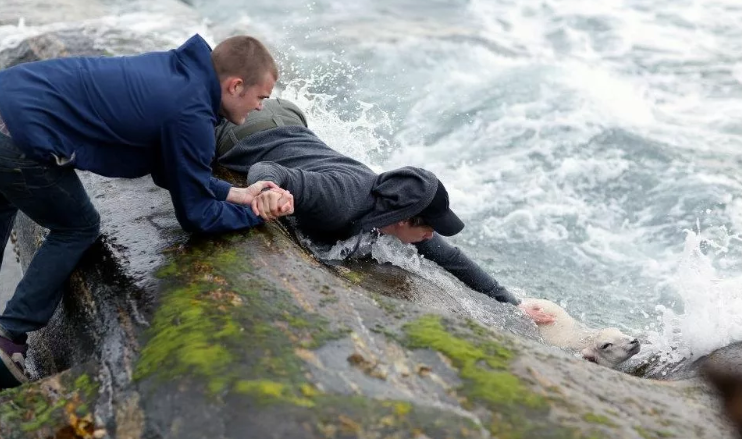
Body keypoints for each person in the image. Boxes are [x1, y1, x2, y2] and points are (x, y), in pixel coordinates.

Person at [0, 34, 293, 389]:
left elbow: (175, 171)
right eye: (261, 97)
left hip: (10, 99)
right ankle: (9, 335)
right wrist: (259, 215)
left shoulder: (180, 75)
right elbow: (197, 215)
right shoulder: (191, 114)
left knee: (7, 199)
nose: (261, 108)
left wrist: (240, 195)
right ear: (235, 86)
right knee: (77, 227)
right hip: (18, 133)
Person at [215, 98, 554, 324]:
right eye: (430, 226)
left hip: (291, 117)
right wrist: (267, 191)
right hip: (242, 131)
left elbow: (451, 259)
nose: (431, 235)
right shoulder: (340, 199)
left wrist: (512, 305)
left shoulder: (390, 208)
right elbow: (266, 167)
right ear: (404, 218)